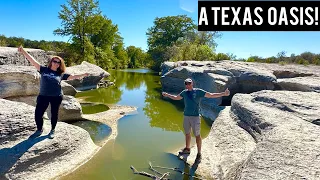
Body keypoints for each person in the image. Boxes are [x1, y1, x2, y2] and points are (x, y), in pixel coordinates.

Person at [18, 46, 90, 139]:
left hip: (56, 97)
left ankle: (52, 130)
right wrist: (23, 51)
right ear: (51, 62)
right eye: (54, 61)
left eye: (58, 62)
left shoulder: (61, 74)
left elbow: (73, 76)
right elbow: (32, 60)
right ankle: (39, 129)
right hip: (43, 96)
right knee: (38, 114)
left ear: (60, 64)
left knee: (54, 114)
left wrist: (83, 74)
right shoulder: (43, 70)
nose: (56, 63)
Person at [162, 78, 230, 162]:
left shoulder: (198, 91)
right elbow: (176, 97)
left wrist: (223, 94)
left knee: (197, 135)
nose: (188, 85)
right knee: (187, 134)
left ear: (192, 83)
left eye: (189, 83)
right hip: (186, 116)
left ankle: (199, 153)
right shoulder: (184, 92)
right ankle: (187, 149)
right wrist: (167, 94)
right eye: (186, 83)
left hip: (195, 117)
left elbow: (210, 95)